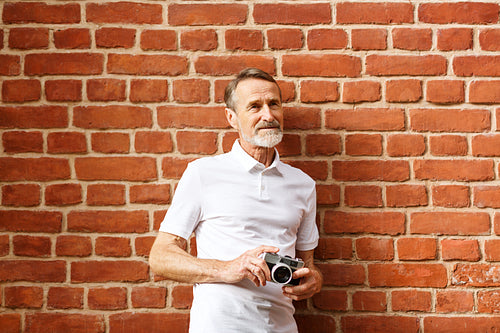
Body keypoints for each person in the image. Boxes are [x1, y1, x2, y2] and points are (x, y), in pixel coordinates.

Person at [149, 68, 323, 333]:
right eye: (255, 106)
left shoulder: (303, 184)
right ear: (232, 117)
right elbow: (161, 256)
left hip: (282, 327)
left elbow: (308, 264)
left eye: (273, 104)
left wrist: (313, 281)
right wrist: (229, 268)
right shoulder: (203, 173)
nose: (268, 115)